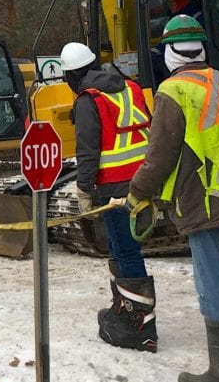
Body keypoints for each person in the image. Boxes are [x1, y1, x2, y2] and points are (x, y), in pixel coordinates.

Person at [128, 15, 219, 381]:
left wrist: (137, 193)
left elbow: (160, 155)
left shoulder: (173, 91)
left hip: (204, 201)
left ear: (169, 51)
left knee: (213, 283)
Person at [59, 42, 156, 352]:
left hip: (114, 190)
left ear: (72, 76)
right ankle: (123, 309)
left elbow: (88, 151)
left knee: (126, 252)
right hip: (142, 183)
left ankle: (140, 326)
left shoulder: (90, 101)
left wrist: (84, 190)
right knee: (120, 248)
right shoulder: (130, 87)